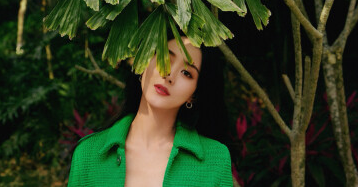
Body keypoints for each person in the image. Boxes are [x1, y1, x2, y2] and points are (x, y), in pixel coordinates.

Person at [67, 31, 234, 187]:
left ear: (194, 94)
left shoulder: (216, 160)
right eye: (165, 58)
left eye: (187, 73)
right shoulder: (87, 154)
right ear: (143, 61)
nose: (169, 75)